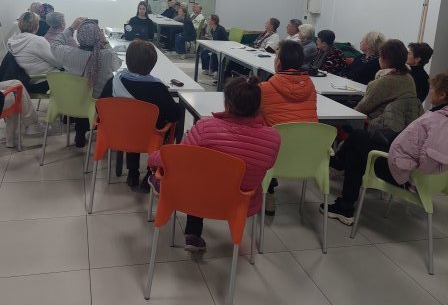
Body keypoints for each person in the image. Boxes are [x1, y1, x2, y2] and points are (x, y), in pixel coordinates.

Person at [148, 77, 281, 251]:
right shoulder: (273, 138)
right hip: (240, 202)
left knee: (199, 175)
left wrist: (152, 159)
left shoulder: (206, 127)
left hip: (197, 197)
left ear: (227, 103)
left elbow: (176, 158)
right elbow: (268, 165)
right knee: (208, 175)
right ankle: (194, 235)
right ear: (258, 105)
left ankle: (193, 233)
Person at [324, 39, 423, 225]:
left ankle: (338, 164)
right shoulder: (408, 79)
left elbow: (362, 109)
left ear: (383, 59)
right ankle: (345, 206)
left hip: (383, 136)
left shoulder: (384, 82)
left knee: (355, 134)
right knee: (354, 152)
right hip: (399, 135)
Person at [100, 40, 183, 188]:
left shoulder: (114, 81)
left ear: (127, 60)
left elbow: (100, 108)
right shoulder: (158, 88)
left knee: (132, 123)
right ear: (153, 63)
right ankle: (151, 173)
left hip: (120, 133)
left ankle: (132, 173)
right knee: (161, 124)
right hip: (150, 136)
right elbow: (173, 115)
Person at [259, 40, 318, 215]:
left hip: (274, 155)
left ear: (278, 63)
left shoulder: (264, 88)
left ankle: (268, 191)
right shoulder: (311, 87)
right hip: (308, 154)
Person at [51, 18, 122, 147]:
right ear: (98, 37)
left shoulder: (68, 53)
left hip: (73, 102)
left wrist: (71, 28)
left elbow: (54, 44)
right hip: (99, 105)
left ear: (79, 37)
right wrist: (105, 42)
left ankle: (80, 132)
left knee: (84, 95)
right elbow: (118, 64)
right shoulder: (106, 55)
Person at [387, 72, 448, 186]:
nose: (430, 92)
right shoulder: (439, 116)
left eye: (432, 89)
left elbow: (431, 159)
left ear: (442, 95)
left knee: (357, 142)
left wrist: (414, 180)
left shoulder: (440, 120)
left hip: (405, 174)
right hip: (407, 162)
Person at [7, 11, 61, 93]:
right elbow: (57, 62)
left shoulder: (12, 41)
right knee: (72, 74)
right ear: (36, 25)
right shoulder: (37, 41)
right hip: (41, 81)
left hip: (23, 81)